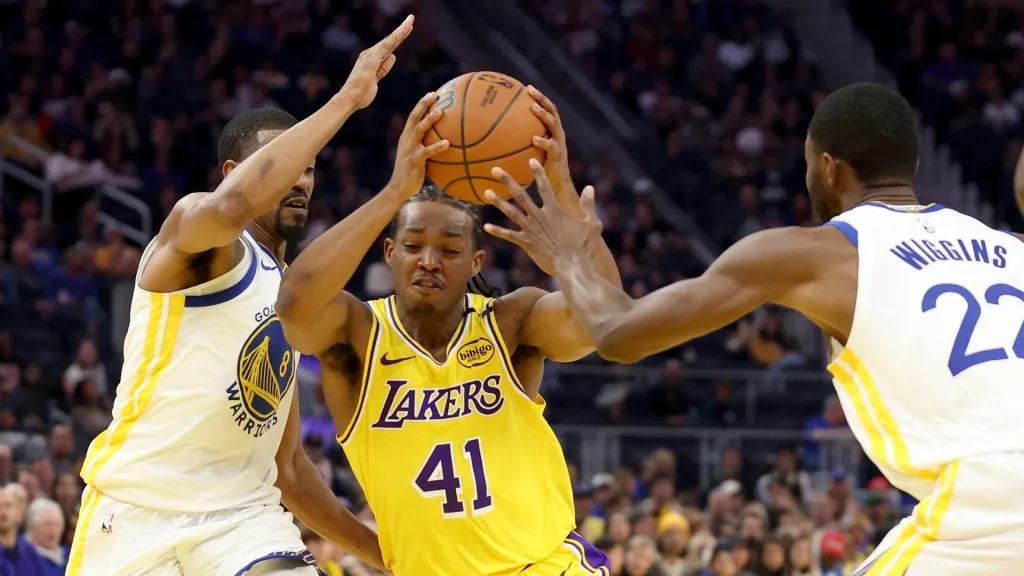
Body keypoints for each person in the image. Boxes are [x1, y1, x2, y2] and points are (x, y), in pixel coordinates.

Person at [485, 82, 1024, 574]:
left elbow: (618, 331)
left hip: (989, 501)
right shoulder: (1009, 249)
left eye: (810, 164)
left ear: (830, 168)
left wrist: (569, 255)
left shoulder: (814, 253)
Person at [66, 16, 416, 576]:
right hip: (135, 509)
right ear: (233, 172)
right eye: (288, 168)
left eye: (310, 170)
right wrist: (348, 100)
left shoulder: (291, 293)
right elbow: (231, 209)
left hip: (241, 520)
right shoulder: (196, 236)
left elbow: (293, 472)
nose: (301, 179)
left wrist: (394, 558)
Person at [275, 87, 620, 575]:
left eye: (450, 251)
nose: (430, 262)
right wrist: (396, 190)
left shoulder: (511, 321)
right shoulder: (356, 337)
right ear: (390, 253)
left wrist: (565, 210)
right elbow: (293, 303)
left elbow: (608, 326)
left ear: (476, 261)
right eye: (413, 245)